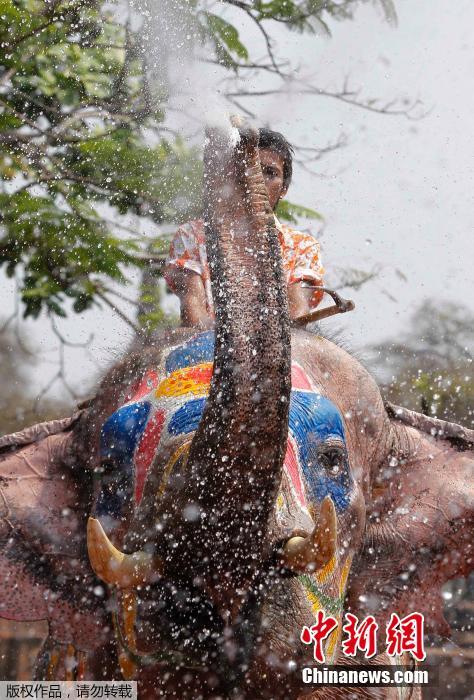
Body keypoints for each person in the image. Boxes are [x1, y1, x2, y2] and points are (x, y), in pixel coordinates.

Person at [164, 128, 324, 328]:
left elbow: (296, 315)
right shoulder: (192, 236)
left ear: (284, 188)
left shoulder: (302, 246)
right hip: (206, 349)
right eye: (244, 169)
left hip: (283, 351)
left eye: (269, 173)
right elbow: (194, 317)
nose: (252, 179)